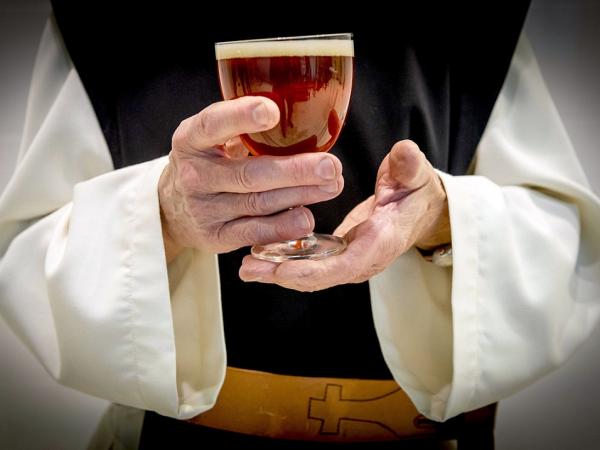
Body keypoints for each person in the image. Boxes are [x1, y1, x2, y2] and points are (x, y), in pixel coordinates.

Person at [1, 2, 600, 449]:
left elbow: (562, 241)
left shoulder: (477, 18)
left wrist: (440, 217)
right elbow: (27, 251)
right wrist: (161, 214)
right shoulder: (97, 19)